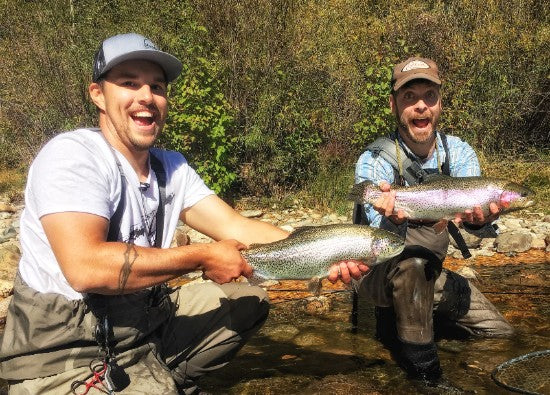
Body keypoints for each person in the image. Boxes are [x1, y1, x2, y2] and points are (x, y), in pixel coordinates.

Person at [0, 33, 364, 394]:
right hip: (63, 353)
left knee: (248, 301)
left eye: (157, 87)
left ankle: (154, 375)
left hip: (140, 327)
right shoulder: (73, 156)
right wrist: (202, 256)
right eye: (129, 83)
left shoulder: (169, 167)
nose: (146, 97)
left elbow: (234, 225)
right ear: (97, 93)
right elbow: (85, 267)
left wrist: (325, 250)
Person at [351, 57, 514, 386]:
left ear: (440, 103)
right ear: (394, 105)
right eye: (409, 97)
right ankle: (426, 375)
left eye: (429, 95)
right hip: (379, 274)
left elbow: (473, 223)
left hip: (430, 272)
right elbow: (372, 241)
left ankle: (423, 326)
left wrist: (481, 222)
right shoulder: (374, 159)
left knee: (501, 335)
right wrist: (393, 219)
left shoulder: (459, 153)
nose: (421, 106)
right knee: (410, 266)